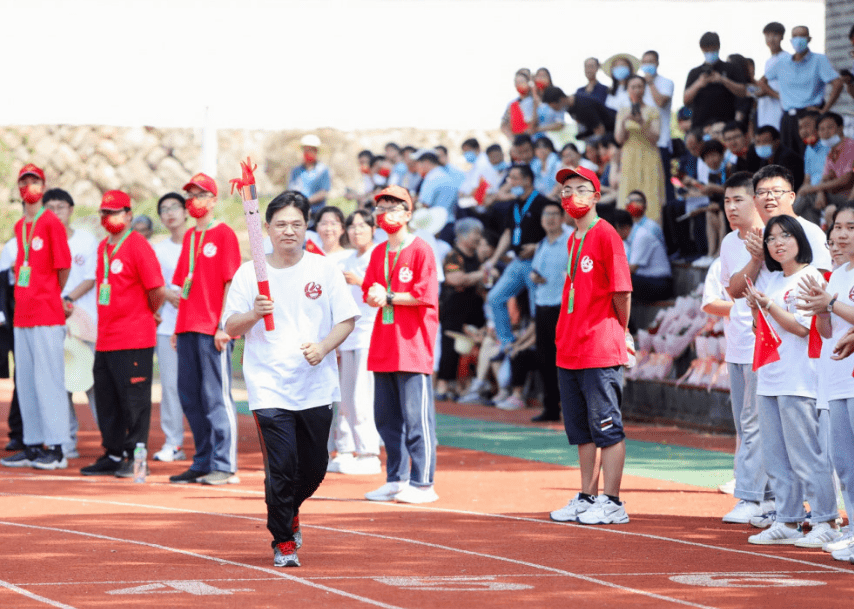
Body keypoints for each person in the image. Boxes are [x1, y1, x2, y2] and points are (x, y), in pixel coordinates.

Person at [223, 190, 358, 568]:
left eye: (296, 224)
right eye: (280, 224)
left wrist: (324, 346)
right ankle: (283, 539)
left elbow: (346, 319)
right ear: (266, 228)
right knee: (281, 467)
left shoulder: (323, 269)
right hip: (268, 385)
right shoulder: (250, 273)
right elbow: (230, 325)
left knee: (314, 467)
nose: (288, 231)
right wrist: (253, 313)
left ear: (306, 227)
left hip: (315, 384)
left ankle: (290, 508)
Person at [742, 215, 839, 547]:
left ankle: (826, 519)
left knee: (806, 455)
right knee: (776, 456)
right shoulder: (771, 280)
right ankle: (788, 519)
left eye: (785, 236)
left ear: (800, 239)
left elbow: (802, 327)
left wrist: (767, 305)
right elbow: (763, 328)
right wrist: (759, 309)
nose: (777, 243)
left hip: (799, 380)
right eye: (771, 238)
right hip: (770, 377)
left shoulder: (809, 277)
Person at [549, 166, 632, 525]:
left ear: (597, 196)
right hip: (569, 346)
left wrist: (621, 330)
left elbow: (622, 291)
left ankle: (612, 501)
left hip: (598, 346)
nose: (572, 197)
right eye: (566, 191)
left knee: (607, 427)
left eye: (581, 189)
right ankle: (587, 495)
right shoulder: (573, 239)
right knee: (581, 430)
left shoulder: (606, 234)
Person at [362, 185, 440, 504]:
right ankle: (396, 478)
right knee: (386, 418)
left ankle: (423, 483)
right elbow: (369, 289)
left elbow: (424, 295)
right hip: (383, 345)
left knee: (416, 419)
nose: (386, 214)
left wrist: (390, 296)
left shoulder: (421, 249)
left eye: (394, 208)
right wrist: (373, 295)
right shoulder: (379, 252)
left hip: (412, 346)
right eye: (381, 208)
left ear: (408, 214)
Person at [79, 191, 165, 477]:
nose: (109, 218)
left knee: (135, 402)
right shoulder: (103, 246)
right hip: (106, 338)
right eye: (105, 213)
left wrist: (148, 313)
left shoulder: (138, 246)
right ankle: (114, 454)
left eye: (116, 212)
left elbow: (157, 289)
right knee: (108, 400)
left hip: (134, 338)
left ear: (129, 215)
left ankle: (138, 459)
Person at [169, 173, 242, 486]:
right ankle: (202, 461)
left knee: (216, 397)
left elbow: (231, 283)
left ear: (213, 200)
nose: (194, 200)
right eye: (191, 194)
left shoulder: (224, 234)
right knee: (190, 397)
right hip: (187, 326)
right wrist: (176, 327)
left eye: (201, 194)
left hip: (213, 329)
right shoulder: (189, 237)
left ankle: (224, 463)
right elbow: (185, 287)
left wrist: (224, 325)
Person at [0, 165, 72, 471]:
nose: (29, 186)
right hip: (23, 315)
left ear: (43, 186)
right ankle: (32, 444)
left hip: (46, 313)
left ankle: (56, 448)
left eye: (35, 181)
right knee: (26, 381)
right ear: (19, 188)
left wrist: (51, 293)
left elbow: (64, 266)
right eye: (24, 182)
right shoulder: (20, 227)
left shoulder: (51, 222)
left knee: (49, 381)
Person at [717, 172, 774, 524]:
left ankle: (752, 496)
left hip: (762, 343)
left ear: (755, 200)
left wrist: (759, 254)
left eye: (738, 199)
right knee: (744, 423)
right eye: (726, 201)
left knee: (755, 422)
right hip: (736, 344)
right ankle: (764, 496)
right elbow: (732, 290)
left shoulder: (773, 237)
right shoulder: (727, 243)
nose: (731, 207)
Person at [798, 202, 854, 560]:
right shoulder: (839, 274)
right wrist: (820, 307)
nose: (841, 234)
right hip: (836, 380)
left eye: (850, 227)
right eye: (837, 227)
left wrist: (829, 302)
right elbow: (828, 330)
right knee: (846, 467)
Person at [43, 188, 98, 461]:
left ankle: (112, 442)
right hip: (53, 323)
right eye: (50, 207)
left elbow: (91, 277)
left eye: (61, 206)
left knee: (92, 381)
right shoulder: (40, 242)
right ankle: (66, 441)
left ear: (71, 209)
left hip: (85, 321)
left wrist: (66, 299)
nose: (56, 212)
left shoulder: (86, 241)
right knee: (59, 383)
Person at [328, 210, 382, 476]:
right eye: (352, 226)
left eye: (362, 225)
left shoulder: (379, 255)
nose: (357, 231)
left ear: (373, 228)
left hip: (370, 332)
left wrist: (361, 281)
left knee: (362, 394)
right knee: (345, 396)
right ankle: (346, 448)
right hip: (347, 334)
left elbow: (384, 290)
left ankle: (369, 451)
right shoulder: (346, 259)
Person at [483, 164, 549, 355]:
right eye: (509, 178)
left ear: (527, 180)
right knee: (495, 297)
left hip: (538, 262)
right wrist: (494, 259)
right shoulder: (515, 204)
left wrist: (537, 246)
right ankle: (507, 342)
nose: (510, 183)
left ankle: (536, 342)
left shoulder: (542, 203)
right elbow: (508, 233)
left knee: (537, 307)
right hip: (518, 261)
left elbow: (557, 235)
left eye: (514, 178)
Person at [761, 25, 844, 157]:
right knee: (789, 158)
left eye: (802, 36)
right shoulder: (783, 62)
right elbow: (762, 82)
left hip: (810, 115)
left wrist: (825, 110)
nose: (798, 40)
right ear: (790, 40)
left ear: (809, 39)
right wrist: (779, 96)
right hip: (789, 117)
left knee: (813, 154)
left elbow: (838, 83)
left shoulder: (818, 60)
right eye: (795, 36)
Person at [152, 192, 188, 462]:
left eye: (175, 207)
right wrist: (166, 294)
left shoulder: (200, 243)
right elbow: (153, 284)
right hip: (168, 327)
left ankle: (211, 444)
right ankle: (173, 442)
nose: (170, 213)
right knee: (171, 386)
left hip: (199, 325)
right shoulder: (159, 249)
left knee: (203, 387)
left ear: (186, 211)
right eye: (164, 209)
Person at [435, 218, 486, 401]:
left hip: (473, 307)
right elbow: (455, 279)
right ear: (463, 235)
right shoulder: (452, 255)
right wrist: (481, 275)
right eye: (475, 233)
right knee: (450, 346)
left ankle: (463, 385)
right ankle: (442, 385)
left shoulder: (478, 256)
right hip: (453, 306)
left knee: (470, 346)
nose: (479, 238)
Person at [529, 200, 570, 422]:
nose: (550, 218)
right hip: (543, 304)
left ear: (563, 217)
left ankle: (572, 407)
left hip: (563, 306)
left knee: (566, 359)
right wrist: (535, 277)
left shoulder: (571, 241)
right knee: (545, 359)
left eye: (555, 214)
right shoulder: (542, 244)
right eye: (546, 215)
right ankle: (551, 407)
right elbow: (535, 271)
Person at [615, 75, 665, 224]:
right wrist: (625, 120)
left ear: (644, 89)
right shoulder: (622, 112)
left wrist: (641, 123)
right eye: (633, 87)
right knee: (628, 194)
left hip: (649, 157)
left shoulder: (652, 111)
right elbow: (619, 139)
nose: (637, 90)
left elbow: (655, 137)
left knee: (651, 196)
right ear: (628, 89)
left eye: (640, 86)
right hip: (630, 157)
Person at [795, 112, 854, 226]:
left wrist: (814, 188)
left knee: (807, 195)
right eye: (821, 129)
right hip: (836, 195)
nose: (825, 133)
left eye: (830, 127)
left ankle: (784, 220)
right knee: (808, 205)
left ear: (840, 128)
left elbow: (845, 179)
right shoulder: (831, 151)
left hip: (848, 197)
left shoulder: (850, 146)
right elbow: (825, 177)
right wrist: (820, 192)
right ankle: (816, 238)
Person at [684, 32, 748, 130]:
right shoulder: (694, 73)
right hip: (700, 127)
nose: (710, 52)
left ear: (718, 47)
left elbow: (743, 92)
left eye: (712, 49)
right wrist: (699, 84)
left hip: (726, 126)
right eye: (707, 50)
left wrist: (723, 80)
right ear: (702, 49)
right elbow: (686, 100)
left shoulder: (731, 69)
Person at [639, 50, 676, 203]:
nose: (648, 65)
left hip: (661, 142)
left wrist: (650, 83)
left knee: (664, 183)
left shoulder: (666, 82)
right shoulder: (638, 85)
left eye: (651, 62)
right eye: (645, 62)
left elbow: (661, 102)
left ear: (657, 63)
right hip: (643, 143)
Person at [542, 87, 615, 141]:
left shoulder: (583, 106)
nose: (556, 111)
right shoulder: (570, 108)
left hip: (612, 128)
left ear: (561, 100)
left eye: (556, 108)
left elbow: (600, 130)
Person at [416, 151, 458, 243]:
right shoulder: (447, 176)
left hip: (435, 227)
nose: (418, 167)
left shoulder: (431, 178)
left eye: (419, 164)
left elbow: (424, 204)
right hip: (450, 223)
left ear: (426, 162)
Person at [288, 134, 332, 218]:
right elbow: (292, 190)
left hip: (316, 213)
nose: (308, 152)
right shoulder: (296, 171)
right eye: (306, 150)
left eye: (311, 150)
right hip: (298, 212)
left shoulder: (323, 170)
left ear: (316, 151)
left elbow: (323, 192)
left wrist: (305, 202)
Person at [756, 22, 789, 130]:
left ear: (782, 37)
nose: (771, 39)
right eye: (767, 35)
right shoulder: (768, 61)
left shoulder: (787, 59)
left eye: (775, 35)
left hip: (780, 114)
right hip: (766, 115)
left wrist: (765, 89)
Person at [753, 125, 804, 192]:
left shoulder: (788, 158)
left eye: (765, 141)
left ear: (777, 142)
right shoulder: (764, 160)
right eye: (758, 142)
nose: (761, 145)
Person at [795, 112, 831, 206]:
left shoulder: (829, 146)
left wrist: (819, 191)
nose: (803, 131)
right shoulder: (808, 149)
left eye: (807, 126)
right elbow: (807, 180)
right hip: (812, 192)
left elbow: (831, 175)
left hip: (828, 191)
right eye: (800, 128)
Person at [501, 69, 536, 139]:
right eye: (517, 82)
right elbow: (504, 124)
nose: (520, 84)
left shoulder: (537, 100)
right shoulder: (512, 104)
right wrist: (513, 139)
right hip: (518, 139)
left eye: (522, 81)